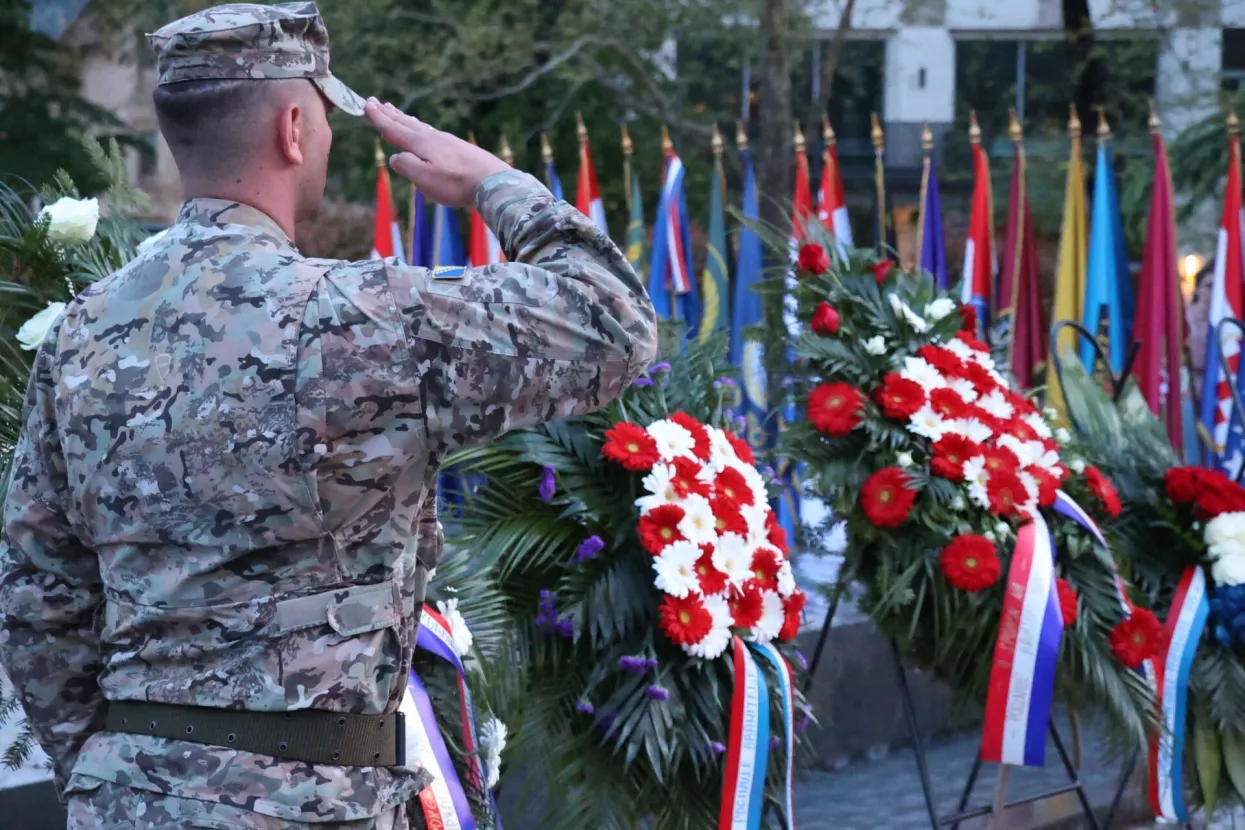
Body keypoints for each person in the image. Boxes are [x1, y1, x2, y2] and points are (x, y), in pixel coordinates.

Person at [0, 2, 658, 828]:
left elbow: (38, 604)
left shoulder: (83, 333)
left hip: (127, 797)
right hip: (310, 803)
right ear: (292, 131)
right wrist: (493, 181)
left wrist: (116, 776)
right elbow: (614, 322)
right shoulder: (355, 317)